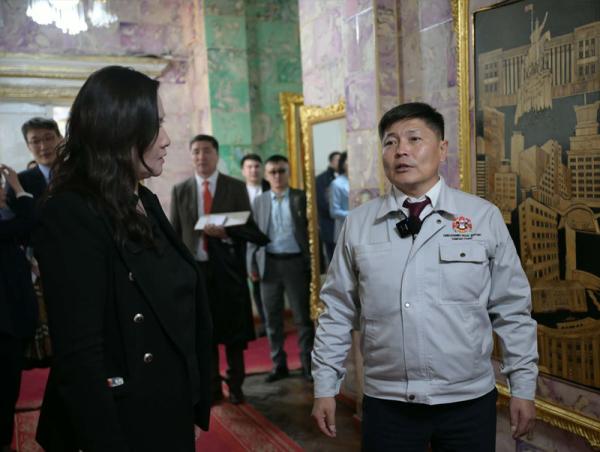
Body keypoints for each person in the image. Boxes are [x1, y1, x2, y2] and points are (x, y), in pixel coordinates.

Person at [311, 102, 538, 451]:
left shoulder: (482, 217)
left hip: (467, 401)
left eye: (414, 139)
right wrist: (325, 386)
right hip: (388, 402)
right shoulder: (358, 224)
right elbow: (337, 311)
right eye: (390, 142)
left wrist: (522, 386)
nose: (401, 150)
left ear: (442, 149)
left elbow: (512, 309)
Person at [33, 66, 212, 452]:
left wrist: (189, 400)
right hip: (123, 419)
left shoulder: (141, 198)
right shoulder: (71, 211)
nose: (167, 139)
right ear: (119, 131)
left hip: (166, 402)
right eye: (156, 125)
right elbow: (80, 354)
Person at [171, 135, 268, 405]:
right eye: (196, 152)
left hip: (228, 271)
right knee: (205, 332)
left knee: (234, 332)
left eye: (206, 151)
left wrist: (226, 233)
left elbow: (248, 229)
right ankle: (212, 386)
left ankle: (236, 385)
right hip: (196, 272)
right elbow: (175, 235)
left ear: (216, 155)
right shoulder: (180, 190)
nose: (201, 157)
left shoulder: (235, 187)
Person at [248, 154, 315, 383]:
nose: (277, 176)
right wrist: (252, 265)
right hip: (269, 264)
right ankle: (279, 365)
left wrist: (314, 265)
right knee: (272, 319)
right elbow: (253, 236)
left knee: (302, 318)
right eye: (272, 172)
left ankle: (307, 365)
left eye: (281, 171)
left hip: (295, 264)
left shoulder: (300, 197)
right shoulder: (260, 202)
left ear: (288, 172)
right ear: (266, 176)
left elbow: (312, 232)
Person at [0, 165, 38, 452]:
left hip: (13, 320)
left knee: (8, 389)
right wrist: (19, 188)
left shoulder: (5, 215)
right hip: (4, 325)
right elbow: (28, 223)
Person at [240, 153, 270, 337]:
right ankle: (263, 323)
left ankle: (271, 323)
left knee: (268, 287)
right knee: (255, 287)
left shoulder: (270, 188)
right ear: (243, 171)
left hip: (267, 246)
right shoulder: (238, 191)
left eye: (257, 166)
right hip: (245, 246)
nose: (253, 170)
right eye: (249, 167)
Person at [6, 117, 62, 207]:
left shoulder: (80, 174)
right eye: (35, 142)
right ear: (28, 146)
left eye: (48, 138)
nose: (43, 147)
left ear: (61, 139)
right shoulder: (18, 182)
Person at [315, 151, 340, 264]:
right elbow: (321, 202)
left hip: (345, 223)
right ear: (331, 162)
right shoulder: (321, 179)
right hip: (329, 223)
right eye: (337, 160)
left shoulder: (348, 176)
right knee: (333, 258)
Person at [329, 151, 349, 243]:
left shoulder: (364, 182)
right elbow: (334, 211)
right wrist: (354, 214)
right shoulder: (337, 183)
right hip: (344, 229)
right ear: (343, 164)